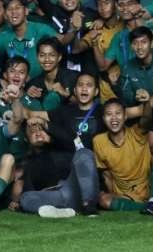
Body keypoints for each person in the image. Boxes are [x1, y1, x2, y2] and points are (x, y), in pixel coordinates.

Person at [22, 72, 106, 215]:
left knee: (84, 153)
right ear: (74, 91)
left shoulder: (103, 113)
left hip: (90, 177)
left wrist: (49, 126)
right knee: (26, 199)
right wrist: (16, 98)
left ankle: (89, 206)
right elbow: (30, 114)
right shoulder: (64, 111)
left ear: (96, 91)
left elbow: (80, 143)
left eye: (89, 85)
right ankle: (68, 209)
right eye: (80, 85)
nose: (84, 89)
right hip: (69, 182)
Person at [93, 90, 153, 215]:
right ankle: (149, 206)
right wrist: (113, 195)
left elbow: (146, 118)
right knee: (103, 199)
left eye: (118, 113)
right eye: (109, 114)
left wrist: (146, 103)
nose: (114, 118)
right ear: (103, 118)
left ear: (125, 117)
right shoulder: (98, 141)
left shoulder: (136, 133)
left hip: (149, 186)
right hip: (127, 194)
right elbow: (106, 174)